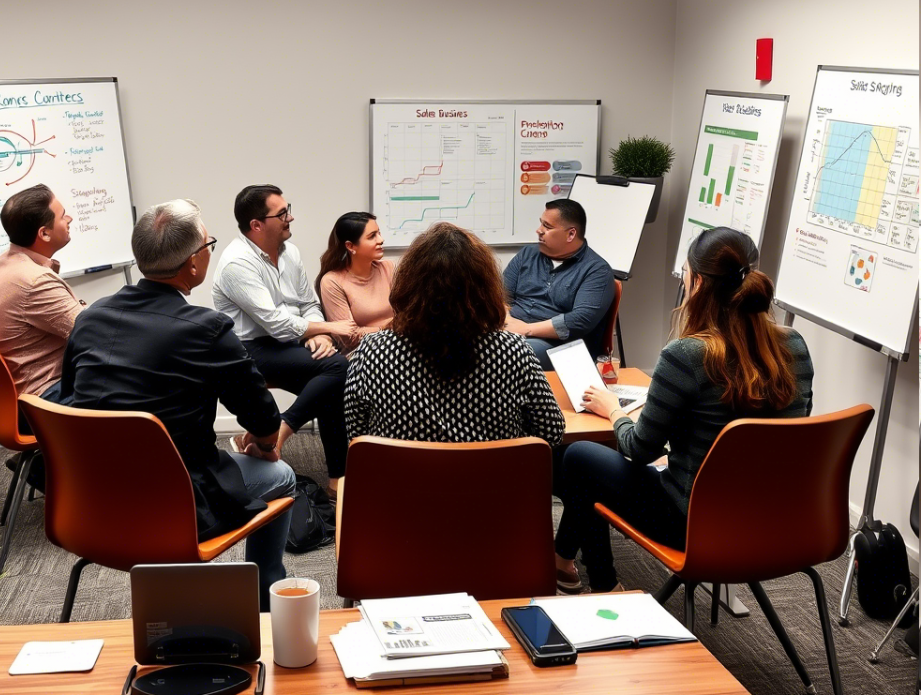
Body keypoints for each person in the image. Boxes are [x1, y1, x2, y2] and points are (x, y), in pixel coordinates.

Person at [60, 199, 296, 609]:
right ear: (192, 265)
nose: (209, 251)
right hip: (175, 505)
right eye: (208, 245)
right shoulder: (207, 329)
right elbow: (262, 418)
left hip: (89, 500)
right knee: (282, 474)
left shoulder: (90, 317)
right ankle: (265, 603)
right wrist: (263, 441)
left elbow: (68, 400)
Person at [555, 227, 814, 594]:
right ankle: (562, 561)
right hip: (775, 521)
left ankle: (602, 582)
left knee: (578, 456)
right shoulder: (795, 345)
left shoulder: (687, 356)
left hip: (695, 524)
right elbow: (793, 429)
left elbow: (639, 450)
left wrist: (614, 409)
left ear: (695, 284)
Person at [345, 221, 565, 448]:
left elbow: (357, 436)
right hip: (492, 482)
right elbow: (551, 432)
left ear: (408, 285)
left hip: (403, 482)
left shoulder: (373, 351)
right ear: (485, 289)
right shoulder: (513, 350)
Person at [212, 185, 354, 499]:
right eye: (282, 214)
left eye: (287, 209)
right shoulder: (237, 263)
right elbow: (276, 324)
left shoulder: (291, 252)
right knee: (336, 370)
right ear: (256, 225)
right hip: (247, 350)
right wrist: (329, 328)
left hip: (285, 342)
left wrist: (322, 334)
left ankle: (268, 442)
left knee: (332, 379)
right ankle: (280, 437)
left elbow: (308, 304)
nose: (291, 217)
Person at [0, 183, 84, 400]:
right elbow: (92, 334)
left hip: (30, 395)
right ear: (44, 234)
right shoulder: (33, 281)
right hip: (48, 399)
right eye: (63, 216)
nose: (69, 219)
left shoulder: (5, 263)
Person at [502, 199, 614, 370]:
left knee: (507, 352)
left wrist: (526, 329)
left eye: (547, 226)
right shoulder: (527, 254)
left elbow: (579, 321)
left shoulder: (597, 270)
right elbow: (498, 295)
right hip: (512, 331)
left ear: (570, 234)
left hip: (561, 346)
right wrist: (507, 322)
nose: (539, 230)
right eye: (541, 223)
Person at [317, 212, 394, 357]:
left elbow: (408, 314)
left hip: (395, 345)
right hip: (361, 356)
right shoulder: (332, 281)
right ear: (350, 246)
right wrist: (391, 326)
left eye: (379, 233)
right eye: (372, 236)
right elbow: (349, 338)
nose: (381, 240)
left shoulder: (388, 268)